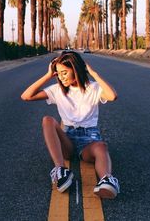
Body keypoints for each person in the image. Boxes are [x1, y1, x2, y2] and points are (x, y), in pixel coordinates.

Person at [21, 51, 120, 199]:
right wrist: (48, 75)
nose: (61, 77)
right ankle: (61, 170)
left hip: (89, 140)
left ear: (76, 69)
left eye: (65, 72)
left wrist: (93, 73)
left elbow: (112, 96)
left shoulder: (93, 88)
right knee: (47, 120)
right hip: (67, 140)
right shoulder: (57, 90)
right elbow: (26, 96)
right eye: (58, 73)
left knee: (101, 146)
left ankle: (106, 180)